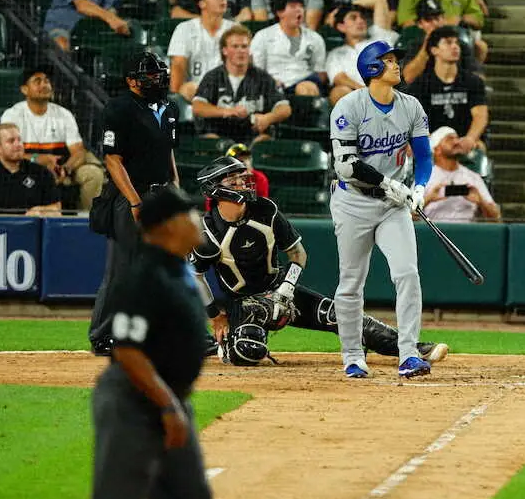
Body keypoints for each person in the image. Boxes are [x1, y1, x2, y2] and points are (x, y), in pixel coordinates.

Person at [190, 155, 448, 366]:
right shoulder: (207, 230)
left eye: (241, 178)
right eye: (233, 181)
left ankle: (409, 348)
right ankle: (228, 343)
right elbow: (196, 276)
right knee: (248, 352)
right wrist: (216, 317)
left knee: (340, 315)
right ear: (215, 188)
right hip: (241, 302)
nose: (243, 183)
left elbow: (298, 254)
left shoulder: (266, 210)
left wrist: (285, 290)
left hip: (280, 288)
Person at [87, 186, 212, 499]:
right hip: (134, 403)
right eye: (189, 214)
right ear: (168, 226)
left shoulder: (177, 270)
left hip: (168, 398)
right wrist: (169, 406)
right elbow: (128, 352)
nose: (198, 219)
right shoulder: (144, 277)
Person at [329, 40, 434, 378]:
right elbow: (346, 165)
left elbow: (425, 156)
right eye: (389, 61)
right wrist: (388, 184)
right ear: (372, 68)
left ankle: (408, 353)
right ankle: (352, 356)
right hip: (353, 201)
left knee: (407, 273)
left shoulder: (411, 106)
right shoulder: (348, 107)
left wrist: (419, 188)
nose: (396, 65)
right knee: (351, 282)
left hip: (393, 206)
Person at [88, 52, 180, 356]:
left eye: (158, 74)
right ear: (131, 81)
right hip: (131, 196)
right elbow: (113, 160)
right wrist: (135, 203)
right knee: (123, 269)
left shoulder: (169, 108)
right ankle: (104, 335)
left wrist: (175, 189)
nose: (156, 79)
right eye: (148, 76)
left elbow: (169, 153)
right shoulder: (118, 108)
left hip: (161, 194)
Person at [0, 66, 105, 212]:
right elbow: (7, 154)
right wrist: (37, 159)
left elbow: (78, 151)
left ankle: (87, 224)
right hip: (26, 168)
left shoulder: (64, 114)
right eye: (37, 81)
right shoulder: (12, 115)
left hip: (62, 168)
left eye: (47, 81)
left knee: (93, 174)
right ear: (24, 89)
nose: (45, 85)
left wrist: (65, 169)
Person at [192, 25, 292, 143]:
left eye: (244, 46)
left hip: (252, 136)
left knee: (264, 141)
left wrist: (268, 118)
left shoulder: (263, 78)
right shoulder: (213, 77)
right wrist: (227, 111)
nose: (241, 51)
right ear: (224, 50)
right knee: (209, 141)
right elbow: (198, 106)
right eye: (235, 46)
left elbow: (285, 108)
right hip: (219, 135)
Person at [405, 26, 489, 149]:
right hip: (434, 144)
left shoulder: (473, 82)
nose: (455, 47)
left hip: (464, 141)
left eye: (456, 43)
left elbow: (480, 116)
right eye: (448, 43)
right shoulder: (420, 85)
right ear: (434, 50)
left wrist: (470, 138)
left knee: (479, 147)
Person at [0, 123, 59, 215]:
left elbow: (56, 210)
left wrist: (39, 211)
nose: (18, 144)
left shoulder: (41, 173)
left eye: (19, 140)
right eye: (11, 141)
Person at [250, 0, 329, 97]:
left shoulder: (315, 38)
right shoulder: (263, 36)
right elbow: (256, 69)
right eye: (293, 6)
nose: (299, 10)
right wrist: (270, 82)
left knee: (306, 88)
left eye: (301, 7)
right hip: (275, 85)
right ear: (279, 12)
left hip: (307, 82)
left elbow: (320, 71)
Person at [168, 0, 236, 100]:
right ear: (202, 3)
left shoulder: (235, 29)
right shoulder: (184, 29)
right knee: (189, 88)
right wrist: (175, 100)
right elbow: (178, 66)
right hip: (195, 90)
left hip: (228, 90)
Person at [422, 127, 500, 223]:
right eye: (450, 139)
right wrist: (428, 199)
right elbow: (409, 217)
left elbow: (496, 219)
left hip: (467, 233)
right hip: (433, 233)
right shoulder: (424, 177)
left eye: (457, 138)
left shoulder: (473, 177)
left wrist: (481, 202)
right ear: (437, 149)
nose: (457, 142)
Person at [324, 4, 398, 104]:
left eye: (362, 18)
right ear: (341, 27)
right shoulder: (335, 54)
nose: (360, 21)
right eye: (353, 18)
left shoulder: (379, 40)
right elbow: (339, 78)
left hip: (385, 90)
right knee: (338, 92)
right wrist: (364, 90)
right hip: (356, 95)